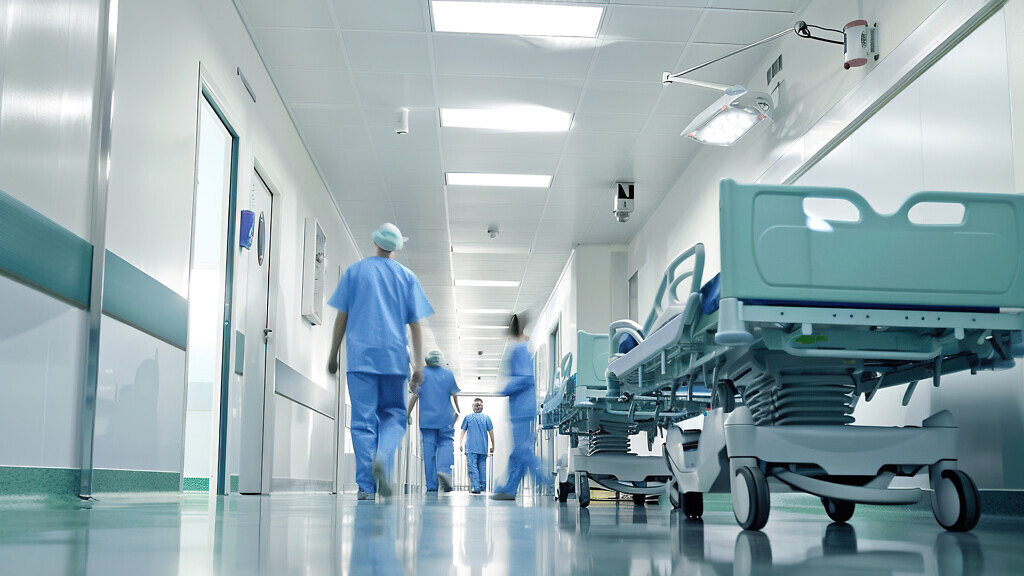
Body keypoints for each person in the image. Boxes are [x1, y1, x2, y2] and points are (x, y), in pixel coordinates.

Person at [326, 222, 434, 500]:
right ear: (396, 248)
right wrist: (419, 367)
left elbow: (342, 317)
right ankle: (382, 460)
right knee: (395, 417)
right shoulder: (406, 277)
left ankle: (365, 487)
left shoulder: (355, 272)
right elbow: (416, 326)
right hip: (393, 360)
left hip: (360, 359)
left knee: (362, 423)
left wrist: (333, 354)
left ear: (375, 242)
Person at [491, 313, 550, 501]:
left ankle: (546, 479)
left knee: (523, 450)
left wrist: (504, 389)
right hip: (521, 408)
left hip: (522, 409)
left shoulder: (519, 349)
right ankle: (509, 489)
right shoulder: (522, 348)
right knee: (518, 452)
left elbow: (525, 378)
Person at [408, 349, 460, 493]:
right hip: (445, 418)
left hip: (427, 420)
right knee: (445, 443)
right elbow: (454, 393)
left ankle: (431, 485)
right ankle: (443, 470)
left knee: (429, 452)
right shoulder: (448, 374)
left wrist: (408, 414)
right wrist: (458, 410)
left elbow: (414, 396)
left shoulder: (422, 375)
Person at [460, 398, 494, 494]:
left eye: (479, 405)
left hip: (472, 448)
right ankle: (481, 488)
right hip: (481, 447)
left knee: (474, 468)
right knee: (481, 468)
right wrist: (460, 442)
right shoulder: (470, 417)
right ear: (472, 406)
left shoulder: (485, 418)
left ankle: (476, 487)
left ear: (483, 406)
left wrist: (493, 445)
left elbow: (491, 432)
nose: (478, 407)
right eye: (476, 405)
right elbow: (463, 431)